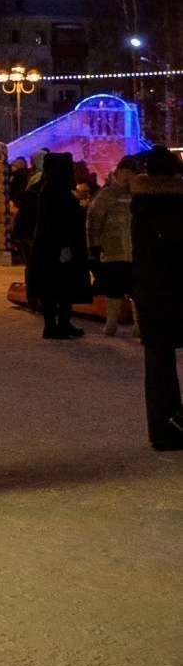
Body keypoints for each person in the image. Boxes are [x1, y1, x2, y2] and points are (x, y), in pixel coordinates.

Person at [128, 147, 183, 451]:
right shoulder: (176, 202)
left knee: (158, 361)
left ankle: (162, 428)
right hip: (176, 287)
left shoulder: (141, 202)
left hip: (151, 290)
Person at [27, 150, 90, 340]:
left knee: (62, 286)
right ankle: (52, 325)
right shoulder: (52, 190)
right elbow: (51, 221)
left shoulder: (56, 189)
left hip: (57, 245)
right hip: (54, 248)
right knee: (53, 287)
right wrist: (61, 246)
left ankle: (63, 323)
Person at [87, 161, 136, 337]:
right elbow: (94, 222)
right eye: (127, 172)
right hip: (112, 250)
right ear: (120, 171)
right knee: (113, 288)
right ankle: (111, 322)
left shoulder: (137, 194)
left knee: (135, 289)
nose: (129, 177)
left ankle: (139, 327)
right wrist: (94, 244)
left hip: (134, 251)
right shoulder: (106, 195)